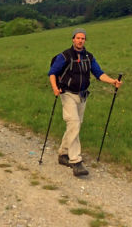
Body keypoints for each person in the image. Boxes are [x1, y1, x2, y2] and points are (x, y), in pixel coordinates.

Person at [48, 28, 122, 176]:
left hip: (82, 95)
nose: (80, 40)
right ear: (73, 39)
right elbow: (52, 72)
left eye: (83, 38)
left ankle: (63, 153)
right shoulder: (65, 55)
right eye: (78, 38)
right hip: (67, 93)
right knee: (74, 123)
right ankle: (76, 161)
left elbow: (99, 73)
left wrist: (112, 81)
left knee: (75, 125)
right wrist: (55, 88)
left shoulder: (89, 57)